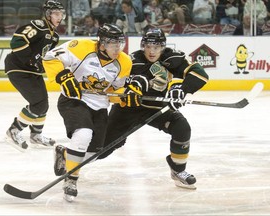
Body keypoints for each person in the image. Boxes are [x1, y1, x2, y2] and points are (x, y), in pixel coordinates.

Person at [54, 28, 209, 192]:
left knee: (182, 128)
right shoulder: (132, 61)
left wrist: (182, 89)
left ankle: (178, 170)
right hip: (127, 110)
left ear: (163, 47)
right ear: (143, 46)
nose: (152, 51)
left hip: (156, 110)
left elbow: (199, 74)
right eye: (148, 46)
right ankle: (65, 155)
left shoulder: (172, 57)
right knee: (101, 151)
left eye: (156, 47)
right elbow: (124, 86)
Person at [42, 23, 132, 202]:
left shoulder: (124, 62)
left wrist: (124, 97)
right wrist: (64, 76)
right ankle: (71, 180)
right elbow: (49, 57)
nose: (117, 48)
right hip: (74, 100)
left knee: (93, 154)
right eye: (113, 44)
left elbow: (115, 91)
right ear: (102, 43)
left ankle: (65, 154)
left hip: (99, 107)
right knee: (83, 134)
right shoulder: (80, 47)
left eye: (119, 44)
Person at [4, 0, 66, 151]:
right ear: (47, 14)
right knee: (37, 103)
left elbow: (43, 56)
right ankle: (14, 130)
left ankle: (36, 135)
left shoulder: (55, 36)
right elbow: (17, 41)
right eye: (56, 14)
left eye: (61, 14)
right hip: (18, 69)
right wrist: (31, 60)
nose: (59, 17)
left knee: (43, 104)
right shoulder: (38, 25)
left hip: (33, 71)